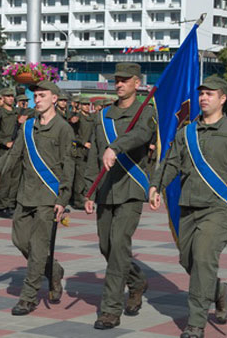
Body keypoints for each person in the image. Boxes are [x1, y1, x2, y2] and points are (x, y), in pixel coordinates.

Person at [149, 75, 227, 338]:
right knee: (189, 261)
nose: (204, 98)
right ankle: (220, 293)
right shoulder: (187, 133)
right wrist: (156, 186)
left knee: (205, 259)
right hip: (188, 206)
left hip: (218, 209)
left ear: (223, 98)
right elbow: (172, 162)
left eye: (210, 94)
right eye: (201, 94)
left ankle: (196, 323)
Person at [84, 63, 154, 329]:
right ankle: (136, 281)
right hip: (105, 190)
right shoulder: (103, 116)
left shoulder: (145, 112)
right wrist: (89, 191)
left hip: (131, 189)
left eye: (125, 80)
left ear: (137, 83)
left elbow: (142, 135)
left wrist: (116, 146)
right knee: (107, 247)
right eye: (117, 80)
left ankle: (110, 310)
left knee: (118, 246)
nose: (119, 84)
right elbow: (94, 155)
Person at [0, 80, 74, 315]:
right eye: (35, 96)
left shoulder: (63, 129)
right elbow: (14, 155)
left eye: (42, 95)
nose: (37, 99)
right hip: (25, 195)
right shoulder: (28, 126)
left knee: (39, 249)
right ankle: (54, 271)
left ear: (54, 98)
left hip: (48, 199)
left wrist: (62, 200)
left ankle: (28, 297)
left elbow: (68, 166)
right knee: (20, 241)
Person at [0, 88, 20, 218]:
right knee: (4, 179)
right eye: (7, 96)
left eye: (12, 96)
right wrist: (4, 142)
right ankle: (1, 206)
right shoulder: (0, 113)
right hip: (4, 150)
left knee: (14, 179)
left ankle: (10, 204)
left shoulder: (16, 113)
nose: (10, 98)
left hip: (16, 150)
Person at [70, 97, 94, 210]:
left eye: (87, 104)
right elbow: (73, 135)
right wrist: (83, 143)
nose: (86, 107)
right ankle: (78, 200)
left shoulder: (90, 117)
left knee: (86, 176)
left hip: (88, 152)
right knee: (79, 178)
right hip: (80, 151)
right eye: (84, 105)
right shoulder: (78, 118)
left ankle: (85, 198)